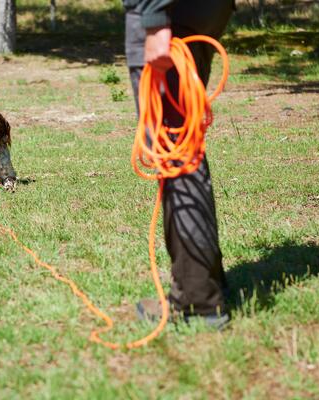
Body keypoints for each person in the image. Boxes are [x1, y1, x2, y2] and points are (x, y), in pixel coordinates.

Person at [124, 0, 235, 329]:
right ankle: (207, 277)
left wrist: (155, 17)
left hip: (169, 10)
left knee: (176, 154)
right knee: (184, 146)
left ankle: (198, 301)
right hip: (202, 10)